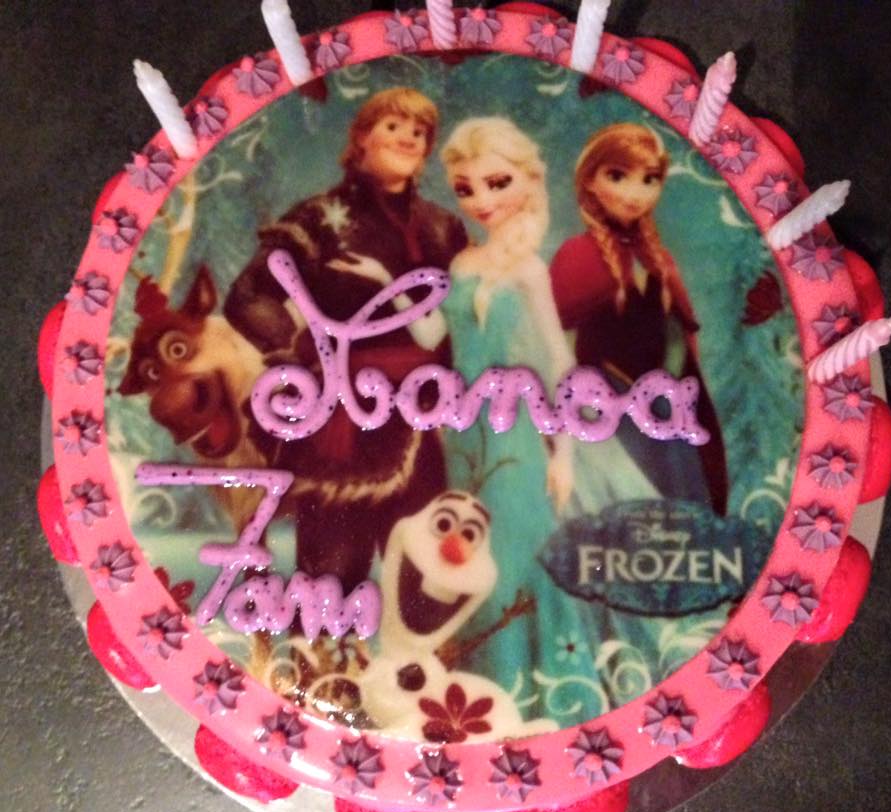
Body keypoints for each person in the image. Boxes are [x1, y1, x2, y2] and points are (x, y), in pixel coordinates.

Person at [430, 118, 660, 726]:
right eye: (465, 188)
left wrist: (564, 455)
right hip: (462, 435)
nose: (481, 201)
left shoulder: (529, 271)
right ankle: (474, 696)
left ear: (529, 181)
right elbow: (446, 345)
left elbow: (559, 367)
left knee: (513, 554)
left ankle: (538, 691)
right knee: (468, 559)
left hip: (516, 437)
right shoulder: (462, 263)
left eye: (496, 183)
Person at [222, 87, 468, 592]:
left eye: (419, 132)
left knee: (424, 580)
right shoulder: (318, 219)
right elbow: (249, 295)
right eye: (393, 126)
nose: (408, 139)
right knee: (331, 578)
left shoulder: (443, 228)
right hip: (342, 421)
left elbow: (465, 319)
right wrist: (296, 358)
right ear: (361, 138)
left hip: (424, 420)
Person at [550, 123, 729, 515]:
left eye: (650, 179)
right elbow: (553, 347)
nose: (635, 193)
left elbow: (681, 340)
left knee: (676, 504)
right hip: (600, 415)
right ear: (590, 180)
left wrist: (680, 397)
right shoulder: (576, 256)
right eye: (618, 176)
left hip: (664, 412)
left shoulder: (659, 260)